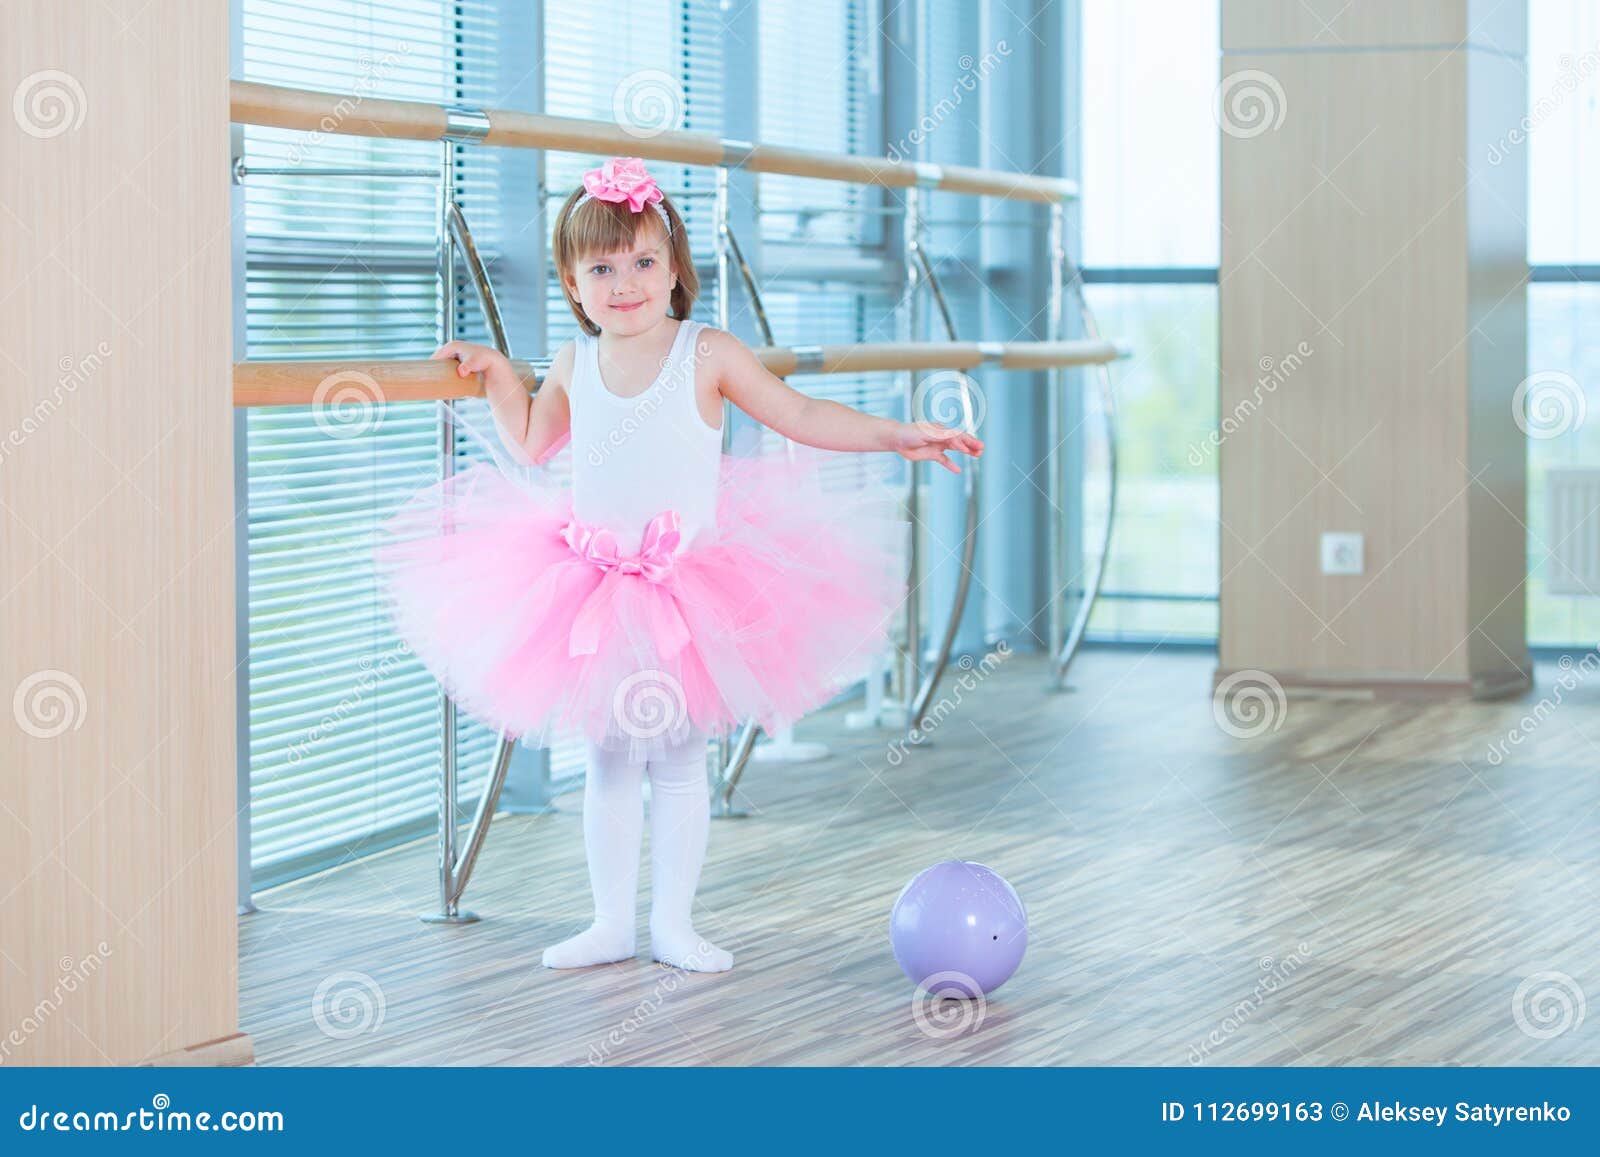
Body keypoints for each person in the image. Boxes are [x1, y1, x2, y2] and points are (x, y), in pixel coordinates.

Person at [375, 156, 983, 973]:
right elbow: (531, 442)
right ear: (571, 279)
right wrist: (493, 375)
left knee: (680, 759)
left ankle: (673, 923)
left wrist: (899, 432)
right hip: (590, 588)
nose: (623, 283)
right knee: (609, 759)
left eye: (643, 262)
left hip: (689, 589)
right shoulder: (572, 361)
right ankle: (609, 922)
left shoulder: (707, 352)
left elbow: (800, 414)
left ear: (674, 269)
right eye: (601, 268)